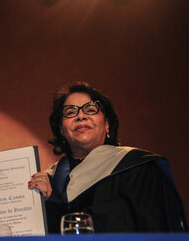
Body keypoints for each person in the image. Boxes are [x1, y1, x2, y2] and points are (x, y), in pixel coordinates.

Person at [29, 82, 187, 233]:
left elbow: (151, 229)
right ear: (62, 131)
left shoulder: (139, 169)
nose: (81, 116)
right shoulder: (49, 181)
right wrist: (42, 202)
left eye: (90, 110)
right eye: (70, 112)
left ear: (107, 125)